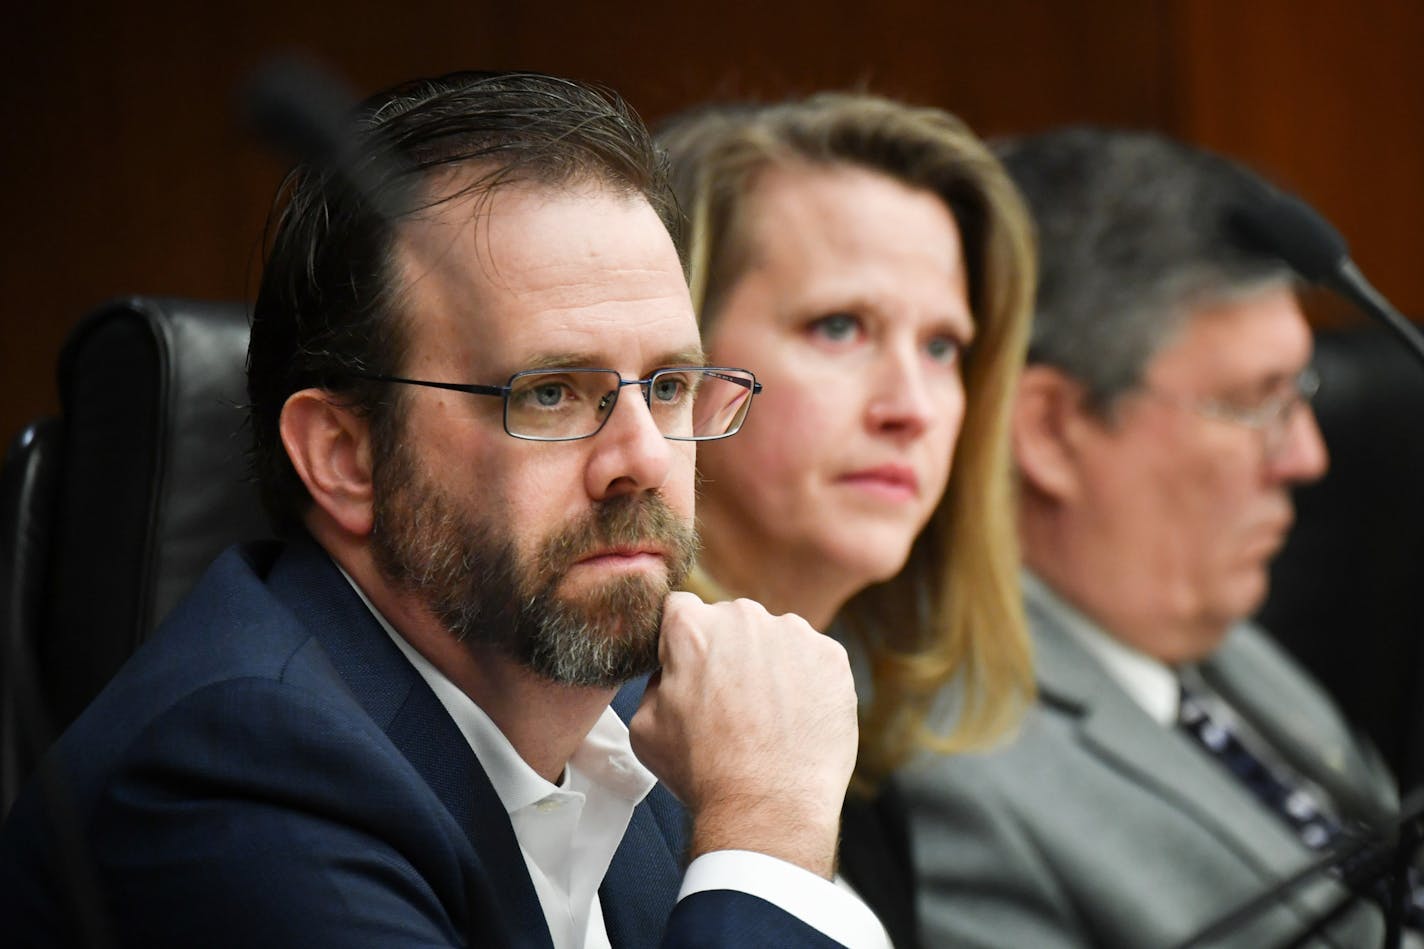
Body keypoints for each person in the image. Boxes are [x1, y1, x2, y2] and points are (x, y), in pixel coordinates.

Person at [0, 70, 889, 948]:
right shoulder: (240, 776)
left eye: (667, 384)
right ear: (347, 457)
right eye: (548, 393)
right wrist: (766, 831)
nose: (644, 459)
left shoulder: (641, 721)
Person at [898, 126, 1403, 948]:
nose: (1308, 455)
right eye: (1256, 400)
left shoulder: (1218, 649)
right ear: (1053, 430)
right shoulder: (949, 768)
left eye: (1299, 387)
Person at [657, 94, 1037, 946]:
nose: (913, 408)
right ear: (669, 365)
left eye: (942, 347)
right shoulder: (589, 748)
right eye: (840, 327)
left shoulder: (856, 768)